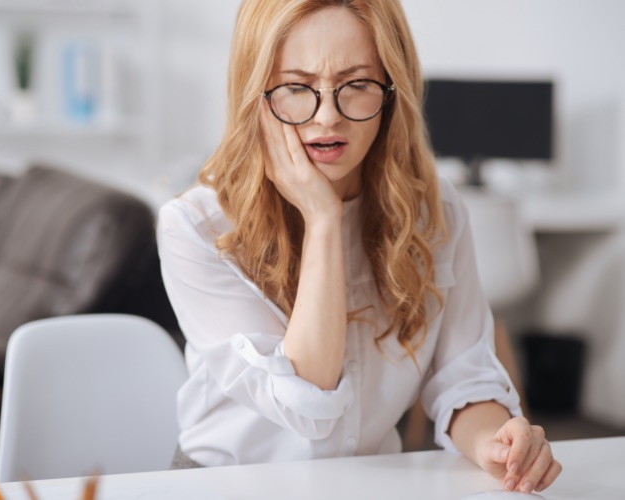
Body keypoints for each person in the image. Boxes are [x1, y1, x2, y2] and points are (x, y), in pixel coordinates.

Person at [157, 0, 561, 494]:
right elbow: (309, 401)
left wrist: (499, 443)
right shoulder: (195, 227)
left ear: (392, 91)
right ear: (256, 92)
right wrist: (324, 219)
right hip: (225, 486)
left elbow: (463, 379)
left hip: (367, 484)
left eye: (357, 85)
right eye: (296, 88)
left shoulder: (436, 211)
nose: (328, 117)